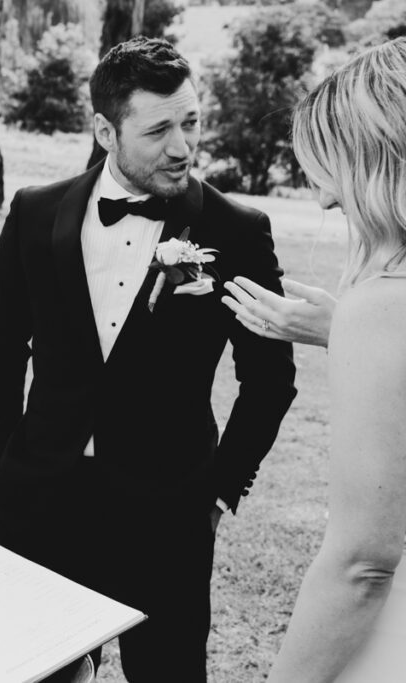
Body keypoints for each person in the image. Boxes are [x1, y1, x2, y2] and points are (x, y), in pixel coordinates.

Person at [0, 37, 298, 682]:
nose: (182, 146)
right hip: (39, 504)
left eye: (191, 121)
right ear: (104, 129)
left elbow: (269, 379)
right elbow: (2, 349)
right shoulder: (36, 212)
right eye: (158, 130)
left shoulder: (237, 230)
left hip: (169, 511)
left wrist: (218, 491)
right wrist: (3, 468)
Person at [262, 37, 406, 683]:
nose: (323, 200)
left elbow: (364, 562)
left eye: (334, 168)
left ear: (382, 161)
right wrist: (342, 336)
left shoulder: (382, 307)